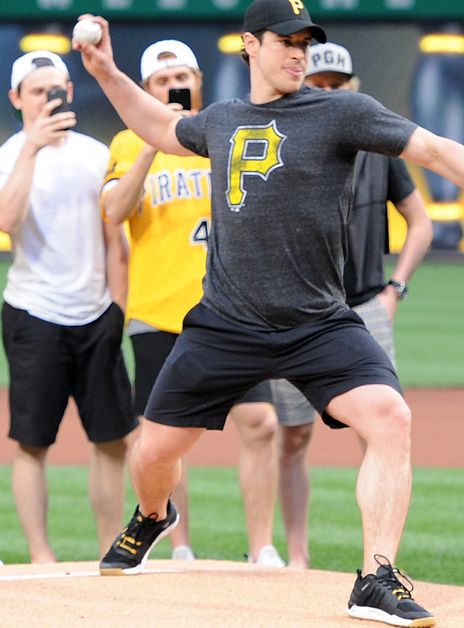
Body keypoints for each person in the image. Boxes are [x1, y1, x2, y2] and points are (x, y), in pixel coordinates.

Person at [75, 0, 464, 625]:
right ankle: (154, 515)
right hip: (227, 323)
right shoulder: (222, 119)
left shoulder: (342, 111)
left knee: (390, 418)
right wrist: (105, 71)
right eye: (285, 41)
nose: (298, 53)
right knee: (151, 453)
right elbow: (155, 125)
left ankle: (376, 578)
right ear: (250, 45)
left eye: (305, 43)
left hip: (317, 321)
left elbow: (434, 148)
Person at [101, 39, 282, 567]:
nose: (173, 87)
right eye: (161, 82)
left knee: (261, 423)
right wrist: (153, 140)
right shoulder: (126, 140)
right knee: (162, 439)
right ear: (145, 90)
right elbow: (114, 210)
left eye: (181, 78)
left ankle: (262, 545)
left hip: (233, 307)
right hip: (160, 311)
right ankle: (179, 545)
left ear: (198, 81)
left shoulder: (226, 129)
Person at [270, 41, 433, 570]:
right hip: (298, 309)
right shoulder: (281, 138)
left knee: (380, 430)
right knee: (293, 435)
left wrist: (395, 290)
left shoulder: (378, 147)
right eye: (318, 84)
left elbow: (421, 222)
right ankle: (297, 555)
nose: (328, 92)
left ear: (353, 88)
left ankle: (377, 560)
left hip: (363, 307)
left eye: (337, 85)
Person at [0, 51, 137, 563]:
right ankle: (40, 553)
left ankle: (110, 547)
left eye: (56, 89)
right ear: (16, 99)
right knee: (32, 442)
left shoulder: (95, 154)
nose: (47, 98)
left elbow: (115, 239)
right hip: (34, 312)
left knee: (112, 440)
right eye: (35, 90)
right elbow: (3, 220)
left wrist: (117, 308)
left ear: (69, 93)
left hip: (95, 313)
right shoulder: (5, 156)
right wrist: (32, 146)